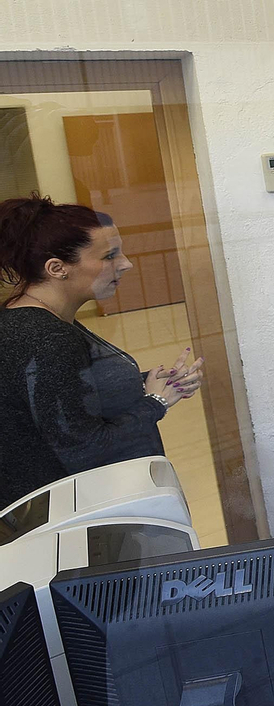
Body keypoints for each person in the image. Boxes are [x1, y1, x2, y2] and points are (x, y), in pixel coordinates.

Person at [0, 196, 204, 511]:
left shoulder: (30, 319)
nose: (125, 264)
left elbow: (62, 393)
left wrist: (146, 381)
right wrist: (155, 403)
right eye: (109, 256)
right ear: (57, 268)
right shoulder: (48, 338)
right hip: (74, 513)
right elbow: (87, 449)